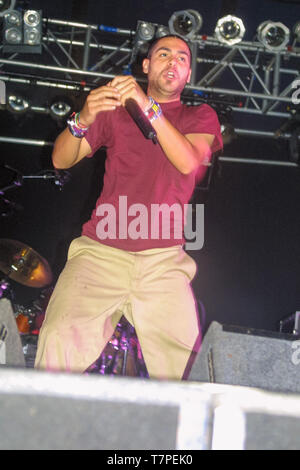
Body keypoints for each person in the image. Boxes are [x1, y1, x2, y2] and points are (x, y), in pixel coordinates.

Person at [34, 35, 222, 380]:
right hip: (99, 253)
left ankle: (185, 434)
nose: (173, 61)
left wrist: (148, 107)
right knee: (58, 339)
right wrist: (84, 117)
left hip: (163, 262)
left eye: (182, 58)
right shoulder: (116, 115)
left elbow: (188, 163)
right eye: (163, 54)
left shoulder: (200, 116)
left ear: (189, 74)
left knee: (188, 368)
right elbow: (61, 158)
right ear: (146, 67)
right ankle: (41, 427)